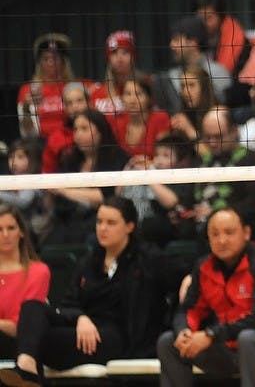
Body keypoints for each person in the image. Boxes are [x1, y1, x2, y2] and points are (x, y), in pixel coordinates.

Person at [0, 197, 182, 387]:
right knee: (32, 307)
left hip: (117, 337)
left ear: (130, 226)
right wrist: (81, 318)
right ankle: (26, 367)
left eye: (111, 223)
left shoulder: (148, 258)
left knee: (32, 339)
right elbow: (69, 304)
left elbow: (183, 273)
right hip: (82, 330)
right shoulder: (89, 261)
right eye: (99, 221)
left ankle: (27, 372)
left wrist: (187, 280)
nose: (102, 228)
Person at [157, 207, 255, 387]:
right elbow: (189, 310)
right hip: (229, 345)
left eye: (229, 232)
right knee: (169, 342)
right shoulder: (203, 267)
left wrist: (211, 334)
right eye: (214, 234)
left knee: (249, 339)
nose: (222, 240)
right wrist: (184, 331)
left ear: (246, 233)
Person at [46, 110, 129, 246]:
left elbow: (105, 196)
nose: (78, 134)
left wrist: (65, 191)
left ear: (101, 131)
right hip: (70, 219)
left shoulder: (117, 158)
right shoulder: (70, 160)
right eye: (75, 129)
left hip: (102, 221)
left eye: (84, 129)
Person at [194, 106, 255, 227]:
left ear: (234, 131)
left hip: (235, 227)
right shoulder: (203, 160)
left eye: (218, 137)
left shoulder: (251, 160)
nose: (212, 143)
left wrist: (216, 212)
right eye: (207, 137)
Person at [0, 204, 51, 361]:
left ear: (21, 232)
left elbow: (24, 326)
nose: (5, 234)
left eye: (11, 228)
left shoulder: (38, 271)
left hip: (20, 345)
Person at [155, 17, 231, 115]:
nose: (172, 45)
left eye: (176, 40)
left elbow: (223, 110)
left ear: (193, 41)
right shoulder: (168, 77)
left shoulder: (217, 72)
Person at [17, 33, 77, 140]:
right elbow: (26, 133)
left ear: (63, 62)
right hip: (39, 144)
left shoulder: (73, 87)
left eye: (55, 58)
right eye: (45, 58)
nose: (50, 62)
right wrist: (26, 109)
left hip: (70, 141)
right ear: (39, 63)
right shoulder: (28, 90)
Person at [90, 30, 151, 118]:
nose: (120, 58)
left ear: (133, 57)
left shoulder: (147, 84)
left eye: (125, 52)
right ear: (108, 59)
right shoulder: (96, 92)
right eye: (114, 53)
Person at [112, 79, 171, 158]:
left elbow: (165, 157)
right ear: (122, 98)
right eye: (128, 94)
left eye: (139, 94)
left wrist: (150, 163)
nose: (132, 101)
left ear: (148, 98)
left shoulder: (160, 118)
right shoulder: (117, 121)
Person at [40, 82, 91, 174]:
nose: (75, 107)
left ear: (89, 103)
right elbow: (48, 173)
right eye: (69, 103)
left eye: (79, 101)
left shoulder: (101, 130)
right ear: (65, 107)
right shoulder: (56, 137)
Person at [193, 0, 248, 75]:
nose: (203, 23)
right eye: (199, 19)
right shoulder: (193, 38)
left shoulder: (236, 38)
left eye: (209, 18)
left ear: (221, 17)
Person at [1, 143, 46, 232]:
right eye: (11, 157)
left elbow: (23, 202)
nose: (13, 162)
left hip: (35, 232)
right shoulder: (13, 180)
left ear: (32, 159)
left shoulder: (34, 179)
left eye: (20, 157)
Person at [170, 65, 217, 144]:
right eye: (183, 86)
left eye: (191, 85)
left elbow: (210, 155)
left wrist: (189, 130)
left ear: (204, 88)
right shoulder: (184, 115)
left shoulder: (216, 116)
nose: (186, 92)